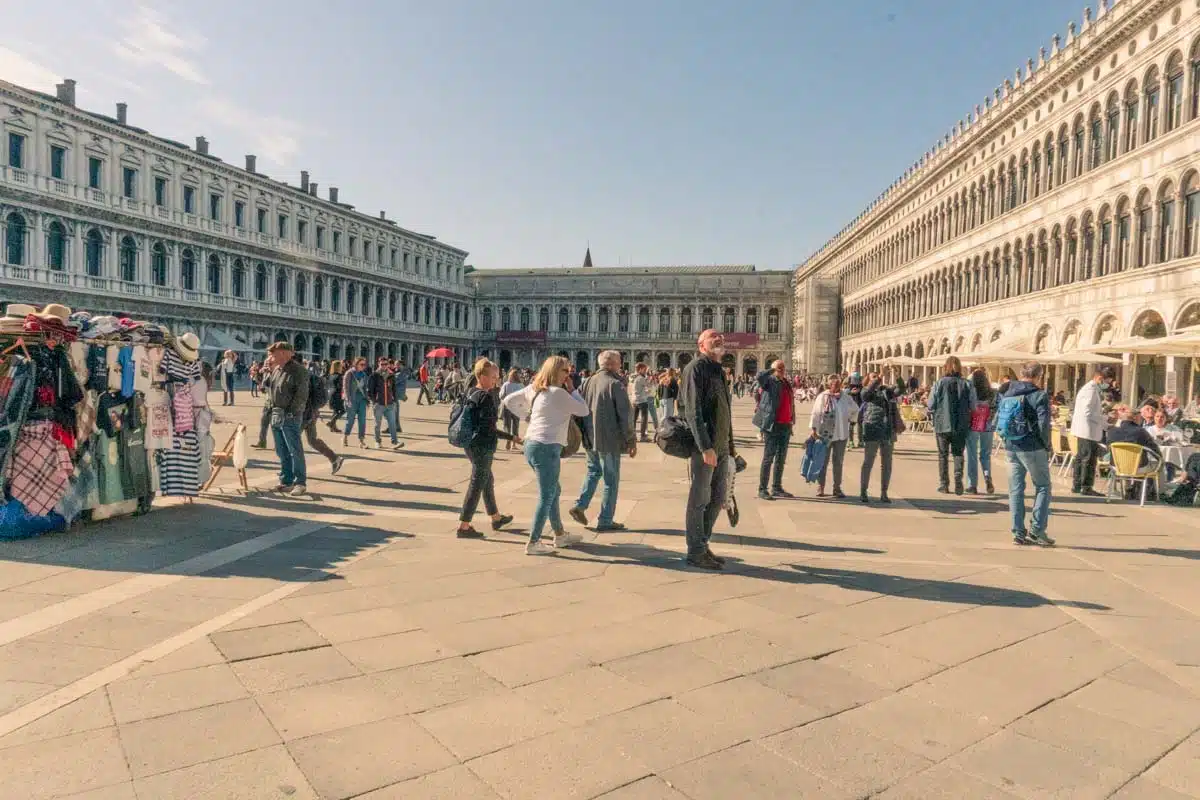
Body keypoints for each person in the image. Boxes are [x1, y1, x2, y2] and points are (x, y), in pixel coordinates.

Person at [502, 356, 590, 555]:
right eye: (565, 371)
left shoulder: (534, 388)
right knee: (547, 494)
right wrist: (573, 389)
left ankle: (559, 534)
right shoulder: (558, 392)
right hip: (547, 447)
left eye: (569, 371)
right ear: (554, 372)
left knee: (553, 490)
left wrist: (527, 416)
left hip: (531, 444)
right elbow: (583, 410)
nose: (569, 375)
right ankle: (533, 542)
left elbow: (508, 401)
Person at [679, 329, 737, 570]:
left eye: (721, 337)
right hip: (706, 447)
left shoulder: (718, 370)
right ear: (701, 344)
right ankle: (695, 550)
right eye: (713, 337)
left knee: (717, 499)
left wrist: (731, 447)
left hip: (721, 446)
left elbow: (725, 411)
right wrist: (705, 447)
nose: (719, 339)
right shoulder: (695, 368)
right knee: (699, 500)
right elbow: (693, 412)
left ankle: (703, 543)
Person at [570, 350, 636, 532]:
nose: (621, 366)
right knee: (611, 479)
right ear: (613, 364)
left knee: (593, 471)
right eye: (619, 363)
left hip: (589, 438)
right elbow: (625, 416)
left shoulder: (587, 382)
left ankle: (580, 505)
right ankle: (605, 519)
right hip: (608, 439)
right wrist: (631, 440)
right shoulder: (615, 384)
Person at [456, 358, 518, 538]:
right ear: (482, 376)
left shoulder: (470, 392)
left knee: (486, 480)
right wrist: (511, 436)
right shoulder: (485, 397)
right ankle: (464, 526)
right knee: (477, 483)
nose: (496, 380)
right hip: (482, 446)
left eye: (497, 377)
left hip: (470, 444)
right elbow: (489, 428)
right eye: (493, 377)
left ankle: (496, 517)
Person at [1000, 361, 1054, 546]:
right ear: (1039, 376)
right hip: (1032, 447)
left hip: (1011, 445)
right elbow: (1043, 425)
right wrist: (1046, 445)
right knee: (1043, 486)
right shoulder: (1039, 395)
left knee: (1015, 490)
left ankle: (1018, 532)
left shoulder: (1007, 392)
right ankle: (1037, 530)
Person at [264, 341, 309, 496]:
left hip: (290, 416)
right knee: (281, 450)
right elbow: (267, 388)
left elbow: (301, 395)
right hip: (276, 414)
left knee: (294, 450)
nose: (271, 356)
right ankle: (286, 480)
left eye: (273, 353)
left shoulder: (298, 371)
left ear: (284, 353)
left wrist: (292, 412)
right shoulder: (276, 369)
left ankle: (300, 483)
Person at [928, 355, 976, 495]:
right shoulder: (967, 384)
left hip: (942, 424)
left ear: (945, 367)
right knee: (958, 453)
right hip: (961, 424)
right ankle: (958, 477)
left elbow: (931, 404)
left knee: (943, 454)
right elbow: (973, 406)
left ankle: (944, 484)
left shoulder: (939, 383)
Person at [810, 374, 858, 499]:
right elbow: (815, 413)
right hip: (825, 434)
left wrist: (851, 420)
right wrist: (814, 429)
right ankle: (821, 486)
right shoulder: (823, 397)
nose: (835, 386)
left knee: (838, 462)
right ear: (829, 385)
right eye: (833, 384)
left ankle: (837, 488)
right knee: (823, 462)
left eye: (837, 384)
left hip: (841, 434)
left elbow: (856, 409)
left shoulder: (846, 397)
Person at [752, 359, 795, 500]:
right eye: (779, 368)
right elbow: (759, 377)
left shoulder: (786, 383)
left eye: (783, 368)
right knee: (768, 457)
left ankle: (776, 487)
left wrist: (791, 420)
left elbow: (790, 402)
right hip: (772, 425)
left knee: (781, 458)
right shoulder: (769, 381)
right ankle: (762, 489)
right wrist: (772, 369)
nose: (782, 370)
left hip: (785, 425)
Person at [1070, 365, 1116, 496]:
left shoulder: (1092, 389)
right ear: (1100, 378)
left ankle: (1078, 485)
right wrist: (1105, 418)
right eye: (1107, 382)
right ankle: (1086, 486)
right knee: (1088, 459)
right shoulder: (1090, 390)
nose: (1108, 385)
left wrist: (1105, 422)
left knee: (1082, 458)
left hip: (1086, 429)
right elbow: (1088, 412)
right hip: (1087, 430)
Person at [296, 353, 343, 476]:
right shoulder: (307, 376)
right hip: (309, 414)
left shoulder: (306, 377)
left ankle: (294, 472)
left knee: (292, 442)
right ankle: (334, 458)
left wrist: (310, 409)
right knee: (312, 440)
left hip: (303, 415)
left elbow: (318, 398)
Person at [858, 372, 897, 503]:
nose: (876, 379)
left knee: (887, 464)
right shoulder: (866, 391)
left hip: (887, 430)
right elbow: (865, 396)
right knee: (868, 462)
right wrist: (878, 377)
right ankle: (863, 491)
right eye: (873, 377)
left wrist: (896, 374)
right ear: (868, 380)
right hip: (872, 428)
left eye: (877, 376)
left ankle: (884, 492)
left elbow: (900, 389)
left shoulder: (886, 391)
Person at [965, 368, 997, 495]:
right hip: (988, 426)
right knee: (985, 454)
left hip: (973, 425)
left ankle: (972, 484)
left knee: (971, 454)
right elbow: (997, 409)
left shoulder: (970, 392)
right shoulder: (993, 393)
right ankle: (987, 476)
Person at [368, 360, 404, 450]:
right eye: (382, 364)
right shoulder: (374, 375)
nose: (384, 366)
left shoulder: (391, 375)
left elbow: (394, 389)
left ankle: (395, 441)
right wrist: (374, 401)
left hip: (390, 403)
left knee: (392, 423)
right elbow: (370, 390)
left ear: (388, 365)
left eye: (385, 364)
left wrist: (395, 401)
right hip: (379, 404)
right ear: (378, 364)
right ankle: (377, 441)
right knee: (377, 424)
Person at [341, 357, 371, 448]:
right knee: (350, 420)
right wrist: (348, 400)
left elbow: (365, 388)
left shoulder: (364, 375)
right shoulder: (349, 373)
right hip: (352, 400)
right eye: (361, 364)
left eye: (364, 365)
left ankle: (361, 441)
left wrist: (367, 400)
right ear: (356, 364)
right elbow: (345, 388)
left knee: (362, 421)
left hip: (362, 400)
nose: (363, 366)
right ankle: (345, 436)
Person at [629, 362, 653, 443]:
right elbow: (649, 385)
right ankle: (643, 436)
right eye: (644, 369)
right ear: (640, 369)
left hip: (634, 400)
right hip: (642, 400)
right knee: (644, 418)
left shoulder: (632, 377)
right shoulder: (641, 378)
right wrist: (649, 377)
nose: (645, 370)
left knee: (634, 419)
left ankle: (632, 436)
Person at [499, 369, 523, 449]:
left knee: (507, 425)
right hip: (517, 407)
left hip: (507, 406)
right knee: (516, 425)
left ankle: (508, 440)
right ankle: (514, 444)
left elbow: (501, 395)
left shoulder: (506, 384)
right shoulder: (521, 385)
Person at [326, 360, 345, 433]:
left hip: (331, 394)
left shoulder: (330, 375)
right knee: (342, 410)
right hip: (337, 394)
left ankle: (333, 427)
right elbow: (340, 387)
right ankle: (331, 423)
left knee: (335, 411)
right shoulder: (339, 376)